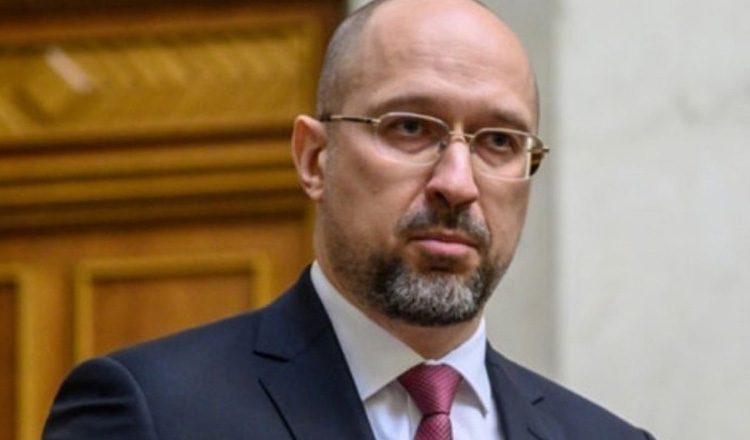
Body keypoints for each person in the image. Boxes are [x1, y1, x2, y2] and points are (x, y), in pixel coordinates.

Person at [43, 0, 655, 439]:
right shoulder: (153, 412)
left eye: (498, 141)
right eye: (410, 127)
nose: (457, 183)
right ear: (315, 159)